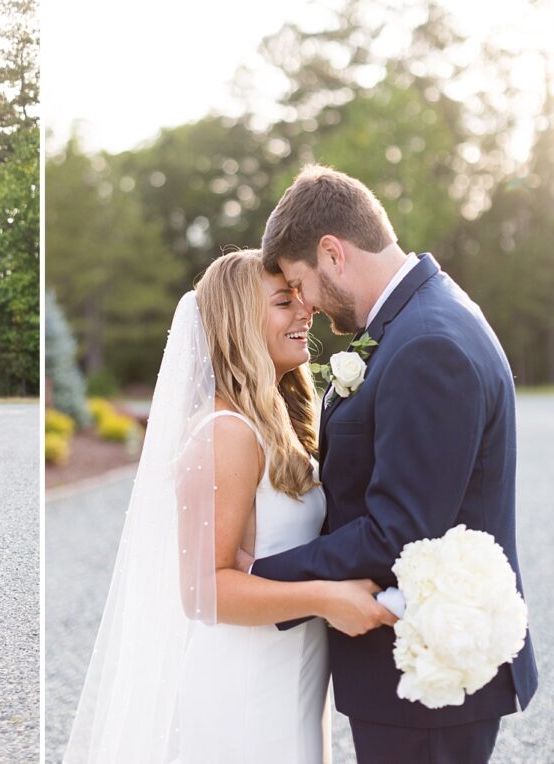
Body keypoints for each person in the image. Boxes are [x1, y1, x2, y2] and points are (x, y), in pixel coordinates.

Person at [248, 165, 538, 763]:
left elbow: (398, 533)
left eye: (299, 284)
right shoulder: (420, 320)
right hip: (413, 678)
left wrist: (258, 578)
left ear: (332, 252)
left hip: (427, 677)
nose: (302, 305)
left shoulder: (427, 342)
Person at [63, 250, 395, 763]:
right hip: (246, 692)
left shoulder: (276, 423)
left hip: (293, 679)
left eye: (300, 298)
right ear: (239, 323)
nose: (305, 311)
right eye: (284, 302)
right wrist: (326, 598)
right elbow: (203, 592)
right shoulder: (226, 433)